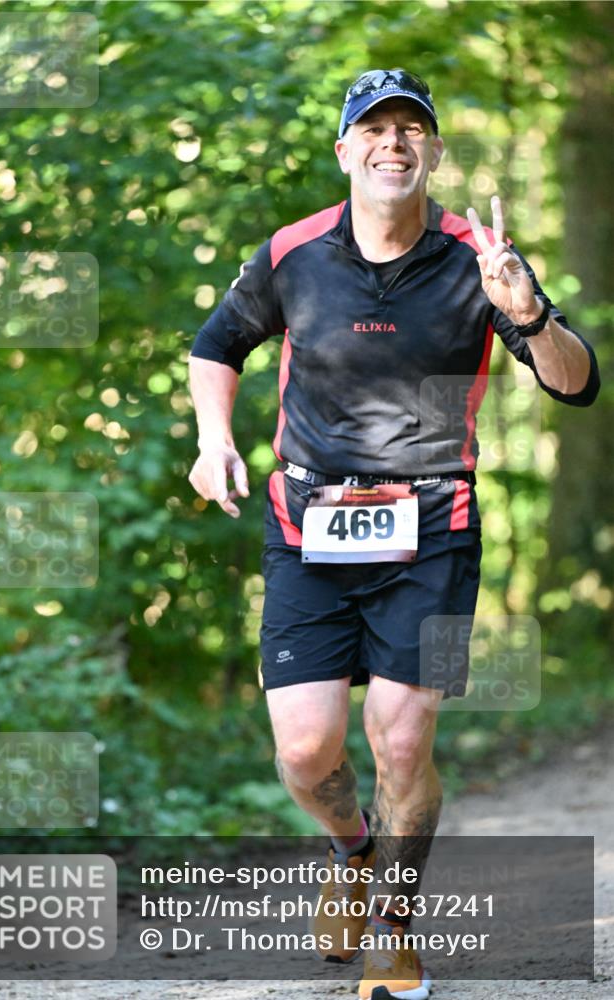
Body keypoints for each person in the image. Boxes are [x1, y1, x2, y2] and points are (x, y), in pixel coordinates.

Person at [188, 68, 599, 1000]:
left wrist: (528, 312)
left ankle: (392, 928)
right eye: (373, 129)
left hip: (434, 523)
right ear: (345, 151)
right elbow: (215, 346)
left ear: (434, 151)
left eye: (412, 128)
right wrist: (214, 441)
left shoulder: (481, 258)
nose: (393, 143)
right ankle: (353, 852)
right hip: (307, 524)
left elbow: (576, 385)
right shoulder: (292, 253)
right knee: (303, 750)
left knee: (403, 741)